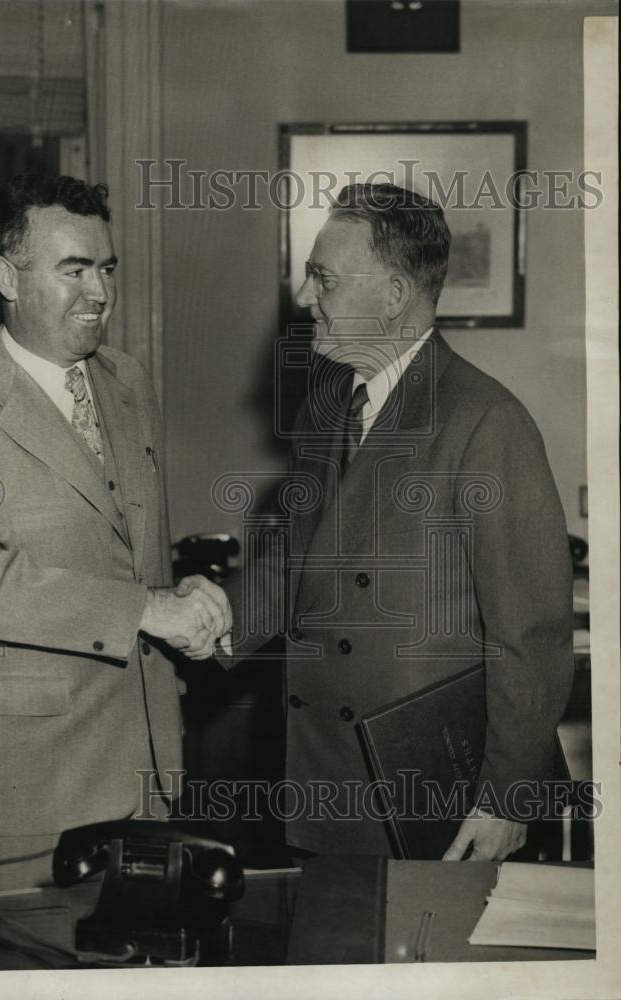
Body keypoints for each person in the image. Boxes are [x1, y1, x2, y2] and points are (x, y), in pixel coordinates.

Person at [191, 182, 574, 861]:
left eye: (325, 280)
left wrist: (508, 797)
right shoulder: (329, 406)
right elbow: (295, 563)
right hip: (325, 771)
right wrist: (216, 618)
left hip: (424, 791)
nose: (307, 300)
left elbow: (533, 636)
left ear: (394, 296)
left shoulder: (488, 422)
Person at [0, 174, 230, 891]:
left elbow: (122, 555)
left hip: (149, 769)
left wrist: (178, 588)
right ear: (6, 277)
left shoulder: (128, 381)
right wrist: (149, 609)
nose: (100, 292)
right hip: (33, 789)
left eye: (106, 268)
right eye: (72, 270)